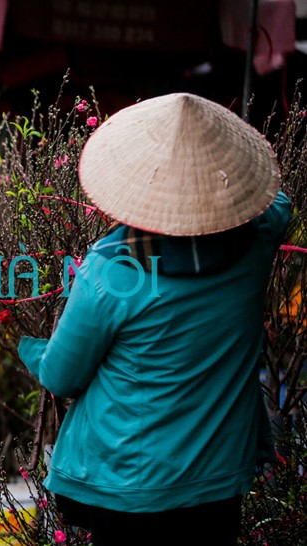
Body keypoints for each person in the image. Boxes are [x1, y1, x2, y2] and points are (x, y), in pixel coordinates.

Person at [17, 93, 291, 546]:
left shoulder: (113, 273)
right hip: (218, 484)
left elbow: (61, 376)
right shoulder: (255, 247)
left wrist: (34, 350)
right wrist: (224, 160)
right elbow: (274, 201)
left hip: (127, 488)